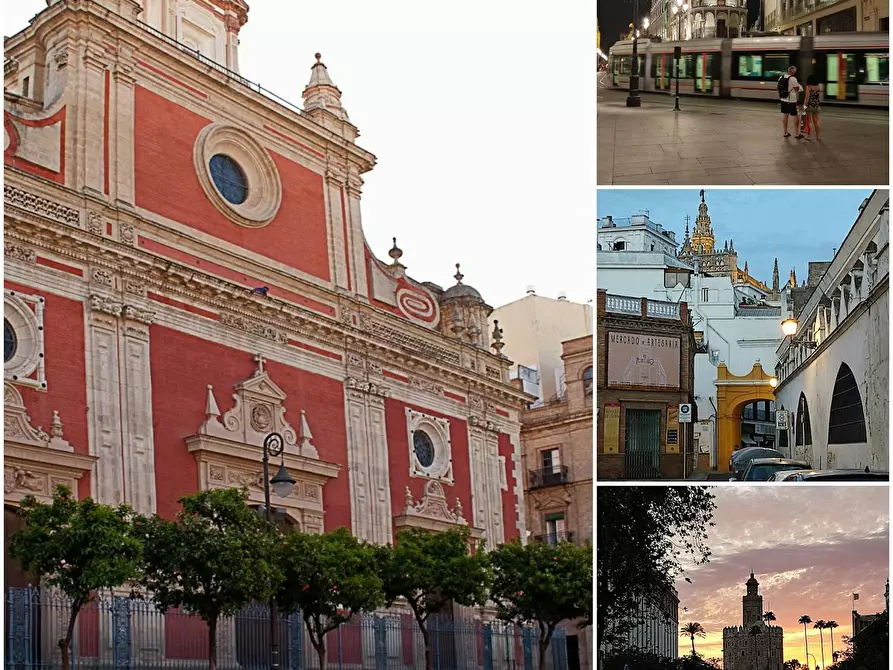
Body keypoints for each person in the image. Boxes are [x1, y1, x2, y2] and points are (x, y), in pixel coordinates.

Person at [777, 66, 801, 138]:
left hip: (783, 99)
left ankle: (785, 133)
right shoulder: (793, 78)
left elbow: (777, 87)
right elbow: (797, 89)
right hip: (791, 100)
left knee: (785, 115)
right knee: (795, 116)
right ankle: (797, 134)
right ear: (793, 72)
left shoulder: (781, 77)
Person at [801, 73, 821, 141]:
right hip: (817, 106)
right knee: (816, 121)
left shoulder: (808, 87)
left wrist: (804, 105)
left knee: (809, 122)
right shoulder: (818, 87)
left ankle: (809, 136)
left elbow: (807, 98)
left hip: (810, 106)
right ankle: (818, 136)